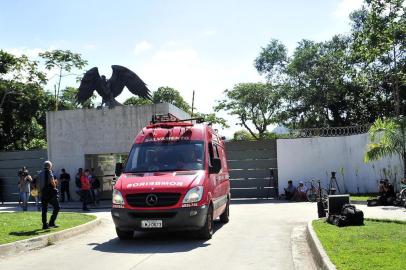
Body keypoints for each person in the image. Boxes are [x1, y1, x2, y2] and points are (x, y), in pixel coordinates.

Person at [39, 161, 60, 229]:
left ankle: (44, 225)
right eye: (51, 166)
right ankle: (51, 222)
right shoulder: (49, 171)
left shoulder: (40, 173)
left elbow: (36, 183)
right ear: (49, 166)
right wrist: (55, 185)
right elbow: (51, 180)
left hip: (43, 193)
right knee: (57, 207)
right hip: (50, 194)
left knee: (44, 210)